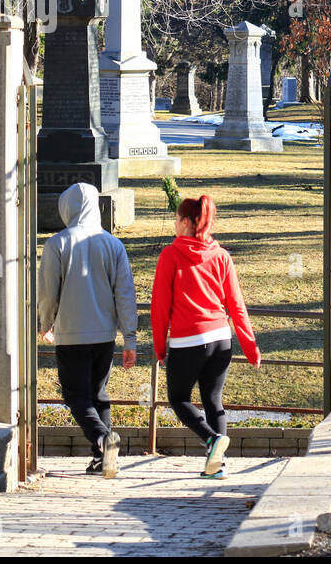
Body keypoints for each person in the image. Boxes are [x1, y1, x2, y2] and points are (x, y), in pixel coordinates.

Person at [150, 194, 261, 478]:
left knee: (178, 399)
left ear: (186, 222)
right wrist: (250, 348)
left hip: (188, 341)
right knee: (213, 400)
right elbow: (236, 303)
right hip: (221, 338)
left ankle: (211, 440)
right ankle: (217, 465)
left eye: (177, 219)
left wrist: (160, 347)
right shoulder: (221, 256)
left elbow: (160, 306)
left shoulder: (170, 256)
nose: (175, 224)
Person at [37, 182, 138, 478]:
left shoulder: (57, 243)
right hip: (104, 334)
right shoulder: (113, 244)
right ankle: (102, 457)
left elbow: (48, 292)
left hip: (70, 332)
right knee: (98, 394)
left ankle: (102, 439)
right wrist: (129, 337)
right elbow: (125, 294)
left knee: (76, 396)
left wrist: (46, 323)